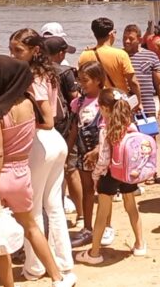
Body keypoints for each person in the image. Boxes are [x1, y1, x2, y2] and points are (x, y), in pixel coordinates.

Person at [0, 56, 77, 287]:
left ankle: (8, 285)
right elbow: (45, 123)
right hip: (21, 172)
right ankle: (57, 277)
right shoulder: (29, 102)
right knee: (32, 226)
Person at [8, 29, 75, 280]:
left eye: (18, 50)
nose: (12, 54)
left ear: (34, 50)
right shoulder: (48, 73)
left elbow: (47, 119)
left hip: (40, 142)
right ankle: (63, 261)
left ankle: (35, 266)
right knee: (53, 205)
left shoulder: (30, 77)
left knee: (33, 208)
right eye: (11, 49)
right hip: (55, 142)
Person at [75, 88, 146, 264]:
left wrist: (96, 176)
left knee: (102, 213)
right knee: (131, 206)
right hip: (127, 173)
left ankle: (94, 253)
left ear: (105, 109)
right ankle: (140, 243)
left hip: (109, 174)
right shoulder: (130, 126)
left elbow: (104, 158)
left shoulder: (106, 130)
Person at [44, 37, 83, 228]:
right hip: (65, 128)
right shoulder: (65, 72)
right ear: (60, 53)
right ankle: (82, 215)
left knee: (47, 171)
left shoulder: (36, 71)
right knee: (70, 169)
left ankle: (53, 209)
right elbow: (75, 101)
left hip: (43, 128)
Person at [67, 62, 106, 247]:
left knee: (105, 191)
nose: (81, 84)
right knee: (88, 189)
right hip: (84, 153)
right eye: (80, 80)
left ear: (98, 80)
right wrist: (68, 150)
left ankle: (106, 226)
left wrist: (98, 149)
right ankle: (88, 228)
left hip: (103, 152)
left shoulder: (107, 100)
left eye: (85, 80)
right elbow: (75, 128)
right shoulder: (78, 102)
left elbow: (111, 128)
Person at [78, 17, 142, 105]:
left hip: (95, 102)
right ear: (111, 33)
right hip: (118, 103)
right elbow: (133, 82)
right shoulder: (120, 54)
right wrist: (139, 102)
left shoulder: (84, 55)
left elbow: (81, 80)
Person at [123, 25, 160, 125]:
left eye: (131, 39)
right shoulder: (119, 56)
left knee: (148, 139)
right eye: (124, 38)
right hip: (124, 110)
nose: (127, 41)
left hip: (147, 109)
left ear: (139, 40)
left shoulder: (151, 56)